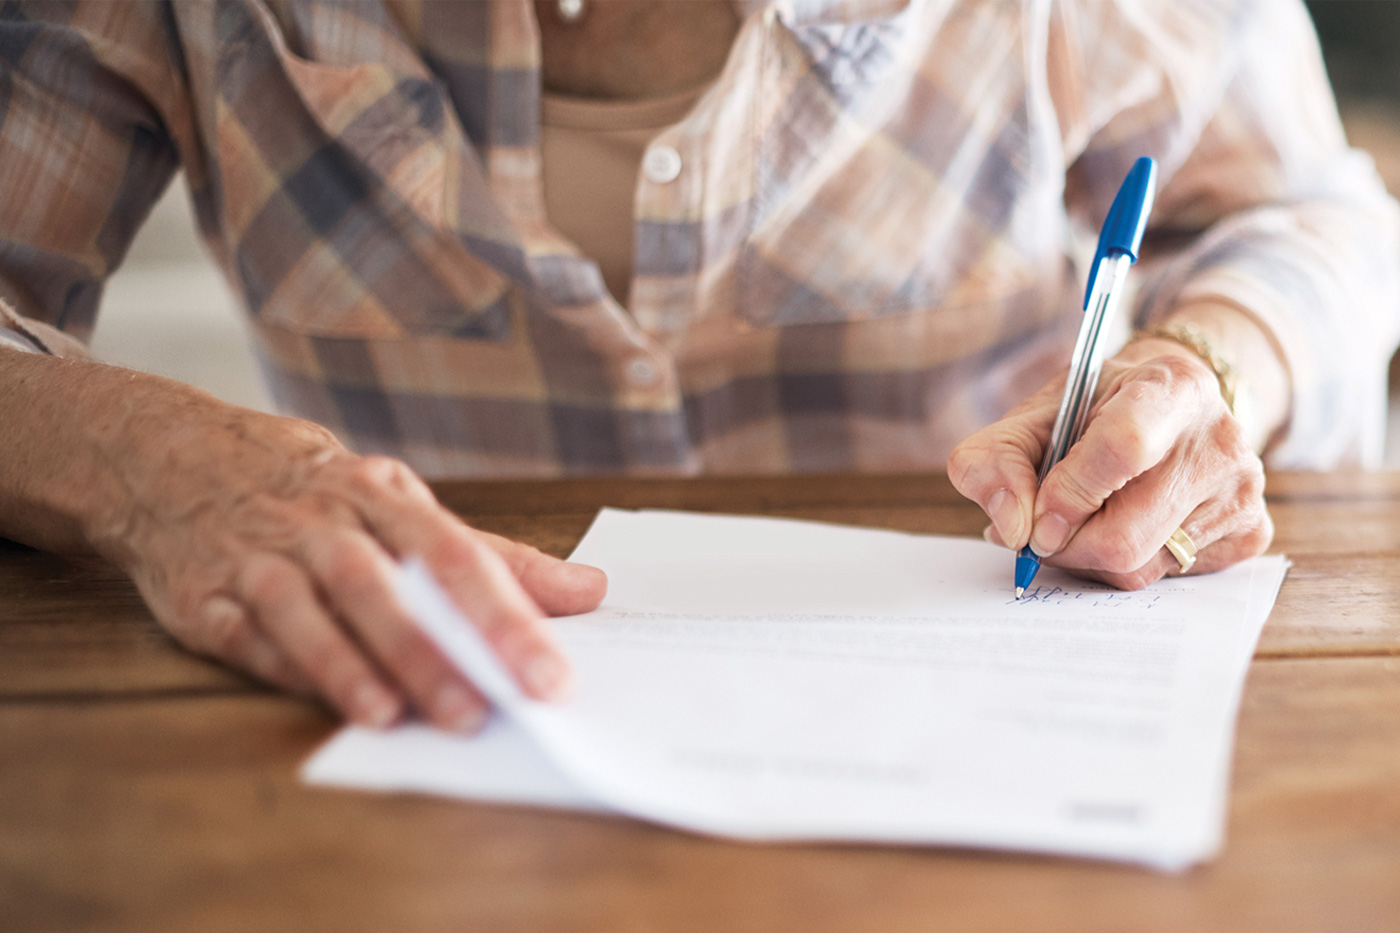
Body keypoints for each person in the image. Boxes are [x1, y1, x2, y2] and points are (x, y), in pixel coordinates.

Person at [1, 0, 1395, 731]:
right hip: (433, 720)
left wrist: (1205, 361)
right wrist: (157, 465)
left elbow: (1312, 216)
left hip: (995, 672)